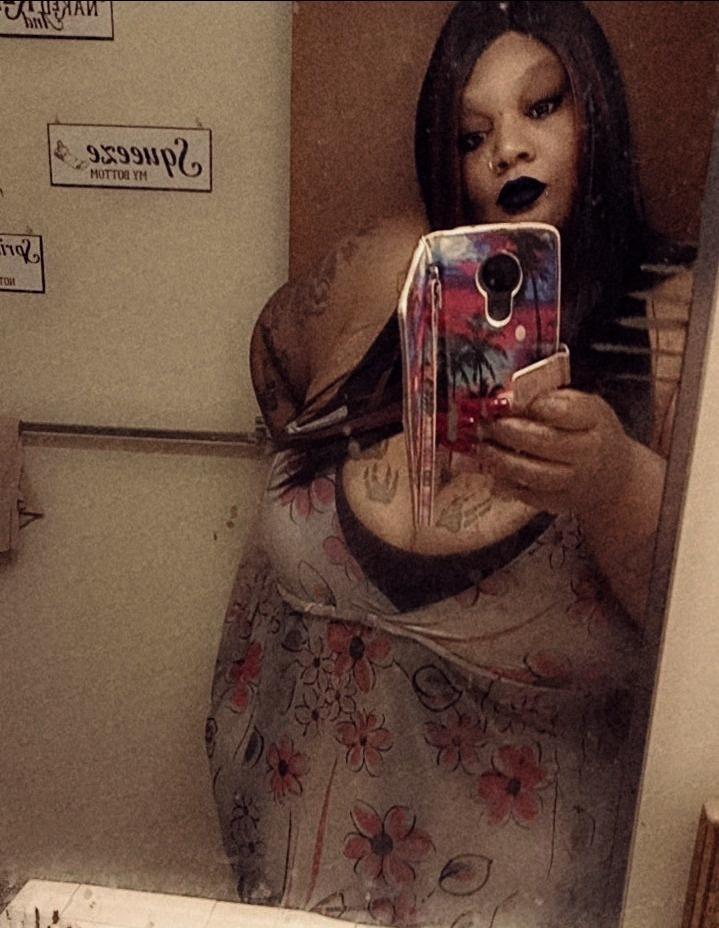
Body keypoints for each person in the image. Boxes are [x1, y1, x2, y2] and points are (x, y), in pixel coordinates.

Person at [206, 2, 693, 926]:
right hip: (282, 888)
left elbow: (699, 631)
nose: (507, 149)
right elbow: (271, 365)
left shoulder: (673, 325)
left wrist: (610, 484)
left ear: (599, 108)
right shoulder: (387, 271)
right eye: (472, 135)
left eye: (542, 107)